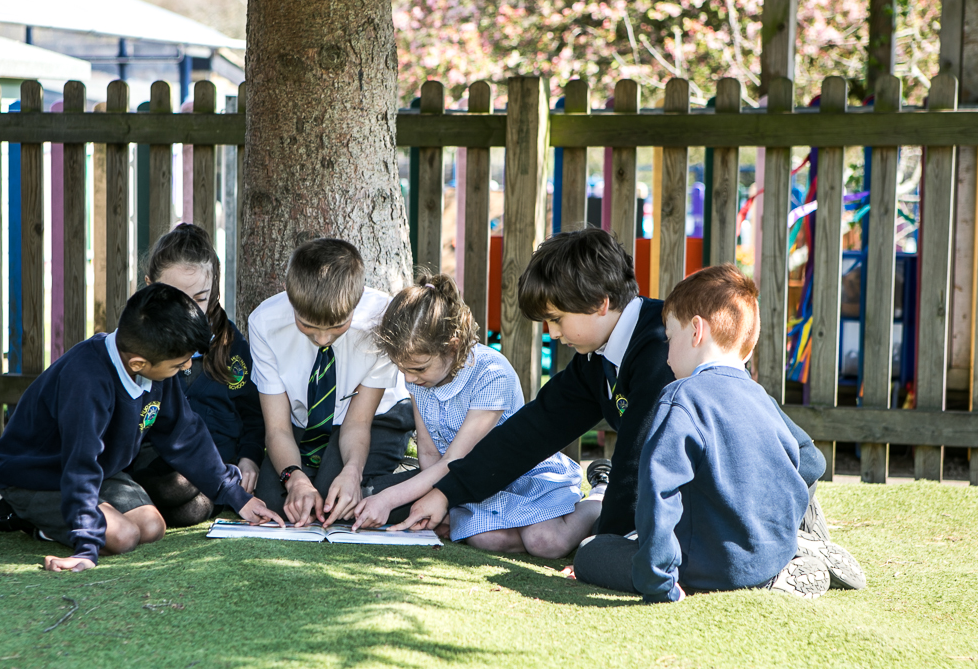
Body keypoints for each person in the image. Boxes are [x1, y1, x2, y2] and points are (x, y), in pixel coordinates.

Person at [572, 265, 865, 601]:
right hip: (768, 556)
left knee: (591, 552)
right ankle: (794, 552)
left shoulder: (681, 398)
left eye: (669, 337)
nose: (666, 355)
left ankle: (783, 558)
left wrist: (658, 577)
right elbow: (810, 461)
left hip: (700, 567)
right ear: (749, 348)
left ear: (696, 331)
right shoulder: (761, 399)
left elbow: (659, 491)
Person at [0, 284, 283, 572]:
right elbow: (80, 466)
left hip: (97, 471)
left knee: (153, 526)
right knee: (123, 535)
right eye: (179, 363)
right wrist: (87, 548)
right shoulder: (87, 382)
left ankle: (52, 521)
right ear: (138, 365)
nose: (187, 368)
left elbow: (185, 434)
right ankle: (18, 509)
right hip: (39, 474)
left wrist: (238, 497)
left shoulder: (153, 365)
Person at [391, 227, 673, 538]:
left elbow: (637, 459)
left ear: (599, 303)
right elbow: (531, 432)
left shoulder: (660, 349)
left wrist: (606, 543)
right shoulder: (596, 357)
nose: (552, 333)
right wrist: (446, 493)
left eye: (557, 318)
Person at [352, 274, 600, 557]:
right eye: (402, 368)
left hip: (520, 476)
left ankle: (599, 497)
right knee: (487, 540)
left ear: (452, 345)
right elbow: (429, 455)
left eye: (419, 368)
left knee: (545, 542)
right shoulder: (419, 380)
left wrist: (387, 498)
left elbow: (455, 461)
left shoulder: (491, 375)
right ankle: (523, 526)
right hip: (470, 485)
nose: (409, 378)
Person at [248, 238, 413, 527]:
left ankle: (420, 482)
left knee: (334, 499)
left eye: (337, 326)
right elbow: (276, 428)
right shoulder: (263, 323)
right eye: (308, 326)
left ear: (358, 298)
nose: (322, 338)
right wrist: (294, 478)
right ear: (289, 296)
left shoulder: (382, 319)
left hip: (375, 419)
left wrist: (352, 471)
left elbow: (358, 423)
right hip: (303, 423)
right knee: (277, 503)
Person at [135, 223, 265, 523]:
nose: (188, 309)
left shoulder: (231, 345)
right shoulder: (137, 344)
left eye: (200, 298)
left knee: (196, 506)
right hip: (158, 463)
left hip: (219, 463)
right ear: (149, 286)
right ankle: (131, 498)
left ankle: (141, 505)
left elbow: (252, 413)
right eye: (174, 296)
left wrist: (250, 457)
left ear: (214, 289)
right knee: (179, 485)